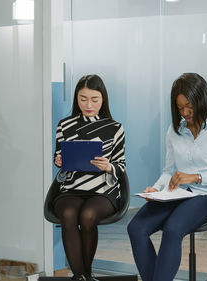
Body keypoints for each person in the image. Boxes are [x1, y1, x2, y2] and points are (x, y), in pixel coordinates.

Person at [127, 73, 207, 281]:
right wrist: (156, 188)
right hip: (177, 194)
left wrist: (197, 177)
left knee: (173, 229)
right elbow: (169, 171)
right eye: (180, 108)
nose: (185, 112)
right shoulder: (174, 131)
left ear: (202, 100)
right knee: (136, 228)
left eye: (189, 106)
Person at [53, 74, 125, 281]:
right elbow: (59, 159)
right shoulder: (64, 126)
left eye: (94, 99)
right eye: (83, 99)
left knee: (87, 215)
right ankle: (80, 276)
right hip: (72, 188)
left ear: (103, 99)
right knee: (68, 214)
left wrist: (108, 166)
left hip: (103, 191)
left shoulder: (115, 128)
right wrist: (58, 160)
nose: (88, 104)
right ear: (77, 98)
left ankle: (87, 273)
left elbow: (121, 166)